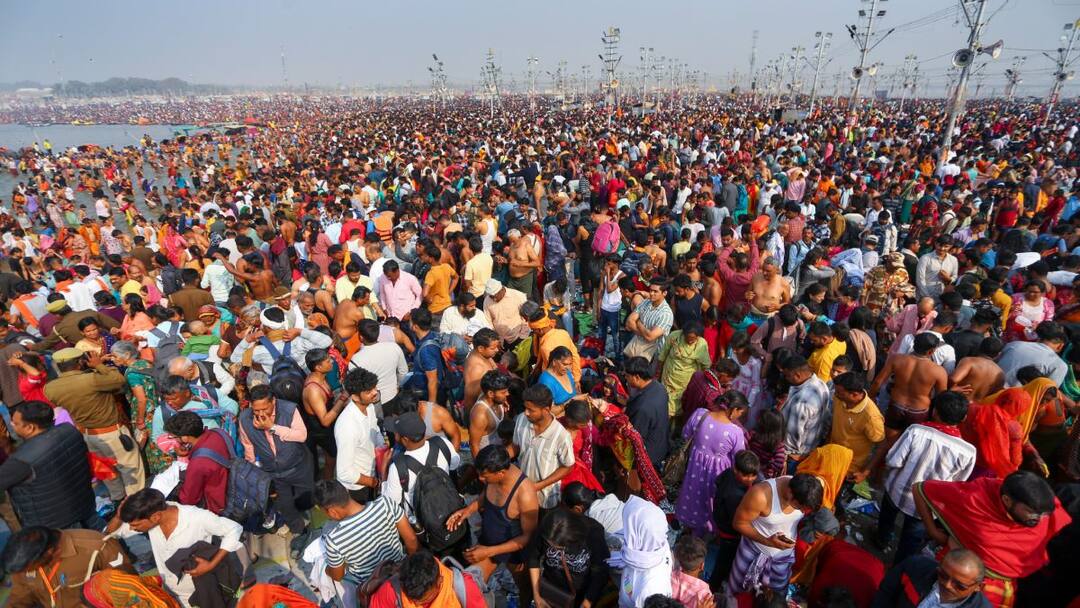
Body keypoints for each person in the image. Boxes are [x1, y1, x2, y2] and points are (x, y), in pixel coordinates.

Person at [913, 471, 1071, 608]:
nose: (1038, 520)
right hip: (955, 577)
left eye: (1042, 516)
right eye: (1030, 512)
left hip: (998, 589)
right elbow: (919, 489)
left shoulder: (1042, 510)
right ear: (1007, 501)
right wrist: (933, 531)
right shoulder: (975, 498)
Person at [878, 391, 976, 565]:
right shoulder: (968, 451)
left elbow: (893, 460)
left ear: (934, 411)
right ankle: (899, 568)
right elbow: (957, 485)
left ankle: (881, 541)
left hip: (897, 490)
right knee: (911, 541)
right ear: (964, 418)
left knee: (887, 519)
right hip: (927, 507)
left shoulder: (916, 431)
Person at [108, 488, 244, 608]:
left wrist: (211, 564)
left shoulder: (196, 517)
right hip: (170, 591)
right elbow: (110, 535)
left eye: (135, 525)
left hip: (200, 592)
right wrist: (118, 517)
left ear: (155, 517)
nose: (132, 529)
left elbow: (234, 529)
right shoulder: (150, 518)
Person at [43, 347, 145, 502]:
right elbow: (119, 380)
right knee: (131, 468)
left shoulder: (50, 388)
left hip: (86, 435)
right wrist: (98, 365)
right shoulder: (92, 379)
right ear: (80, 362)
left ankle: (118, 499)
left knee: (106, 471)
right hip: (112, 433)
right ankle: (138, 502)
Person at [447, 444, 539, 593]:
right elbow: (486, 496)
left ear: (501, 473)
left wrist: (489, 551)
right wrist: (468, 510)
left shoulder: (525, 493)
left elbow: (528, 537)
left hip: (513, 554)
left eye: (484, 476)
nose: (480, 479)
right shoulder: (492, 477)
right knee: (468, 588)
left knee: (524, 590)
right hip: (487, 544)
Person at [315, 479, 419, 608]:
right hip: (401, 573)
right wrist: (408, 565)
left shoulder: (334, 539)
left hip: (373, 591)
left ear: (331, 511)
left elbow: (338, 576)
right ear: (347, 491)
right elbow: (411, 540)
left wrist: (327, 570)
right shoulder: (386, 503)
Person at [0, 400, 101, 530]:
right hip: (86, 508)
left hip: (57, 527)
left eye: (15, 423)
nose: (12, 426)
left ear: (30, 427)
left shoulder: (21, 460)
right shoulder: (69, 430)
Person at [727, 473, 824, 596]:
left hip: (783, 559)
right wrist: (768, 541)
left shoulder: (806, 491)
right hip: (753, 553)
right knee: (739, 594)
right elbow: (739, 523)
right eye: (799, 507)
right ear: (790, 493)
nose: (802, 511)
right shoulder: (760, 495)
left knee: (774, 598)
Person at [238, 384, 312, 534]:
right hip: (273, 473)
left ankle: (306, 511)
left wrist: (272, 427)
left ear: (273, 402)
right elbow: (248, 445)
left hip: (298, 466)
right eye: (256, 410)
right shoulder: (245, 419)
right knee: (285, 505)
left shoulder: (289, 410)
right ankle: (299, 530)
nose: (260, 413)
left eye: (265, 409)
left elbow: (301, 435)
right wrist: (254, 470)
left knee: (306, 497)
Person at [2, 525, 134, 608]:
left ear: (49, 552)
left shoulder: (97, 546)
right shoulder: (24, 562)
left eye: (31, 569)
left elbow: (130, 589)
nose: (27, 573)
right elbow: (19, 596)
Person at [676, 391, 749, 536]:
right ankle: (703, 534)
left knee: (692, 495)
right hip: (716, 476)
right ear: (734, 410)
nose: (739, 416)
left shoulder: (700, 414)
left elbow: (685, 434)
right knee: (709, 503)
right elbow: (739, 459)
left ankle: (688, 528)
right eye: (740, 412)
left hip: (694, 468)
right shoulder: (735, 432)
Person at [381, 410, 460, 526]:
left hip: (425, 525)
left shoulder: (397, 466)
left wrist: (383, 471)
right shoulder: (442, 443)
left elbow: (391, 503)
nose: (394, 435)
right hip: (450, 508)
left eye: (396, 433)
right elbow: (454, 464)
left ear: (405, 439)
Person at [871, 333, 949, 438]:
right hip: (919, 411)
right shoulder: (938, 371)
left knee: (889, 441)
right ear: (931, 351)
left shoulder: (896, 359)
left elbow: (878, 382)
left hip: (896, 405)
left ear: (914, 345)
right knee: (910, 444)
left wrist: (871, 397)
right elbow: (941, 398)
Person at [527, 508, 610, 608]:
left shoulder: (593, 532)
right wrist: (537, 595)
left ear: (573, 537)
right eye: (550, 544)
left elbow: (600, 570)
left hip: (582, 595)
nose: (553, 548)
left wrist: (588, 601)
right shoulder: (548, 526)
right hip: (551, 590)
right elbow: (533, 558)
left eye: (559, 546)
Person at [366, 549, 488, 608]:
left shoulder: (464, 588)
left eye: (424, 600)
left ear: (440, 581)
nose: (417, 603)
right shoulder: (390, 590)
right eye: (413, 599)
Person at [162, 411, 230, 515]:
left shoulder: (198, 463)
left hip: (217, 505)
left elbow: (189, 498)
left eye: (174, 437)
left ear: (184, 437)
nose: (174, 440)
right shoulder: (218, 433)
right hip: (229, 486)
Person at [612, 495, 674, 607]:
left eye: (629, 526)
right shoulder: (656, 542)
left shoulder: (650, 590)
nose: (627, 529)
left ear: (637, 534)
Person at [873, 549, 991, 608]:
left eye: (959, 586)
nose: (947, 585)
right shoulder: (915, 566)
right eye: (943, 576)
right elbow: (886, 593)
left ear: (978, 587)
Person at [335, 367, 384, 503]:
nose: (375, 393)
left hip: (373, 472)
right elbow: (344, 472)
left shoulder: (369, 406)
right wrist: (372, 482)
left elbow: (375, 429)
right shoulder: (347, 426)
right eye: (369, 391)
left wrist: (382, 448)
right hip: (358, 486)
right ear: (355, 397)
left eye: (375, 388)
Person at [828, 372, 884, 481]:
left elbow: (881, 446)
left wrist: (865, 473)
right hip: (830, 455)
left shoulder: (871, 417)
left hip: (848, 469)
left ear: (854, 394)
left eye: (839, 392)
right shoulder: (839, 399)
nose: (835, 394)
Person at [779, 355, 831, 470]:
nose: (786, 379)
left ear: (797, 375)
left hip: (794, 456)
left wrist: (786, 456)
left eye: (787, 376)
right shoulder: (822, 385)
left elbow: (792, 435)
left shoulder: (801, 403)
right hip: (811, 448)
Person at [623, 356, 671, 469]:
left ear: (637, 377)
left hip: (650, 453)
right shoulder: (660, 388)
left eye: (627, 376)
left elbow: (636, 438)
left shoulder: (642, 407)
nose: (626, 379)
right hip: (662, 442)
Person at [659, 320, 712, 419]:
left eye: (694, 338)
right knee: (666, 405)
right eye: (688, 337)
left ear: (698, 337)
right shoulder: (674, 336)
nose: (690, 340)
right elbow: (662, 356)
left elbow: (706, 365)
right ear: (683, 333)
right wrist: (657, 374)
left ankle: (676, 427)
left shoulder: (702, 344)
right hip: (669, 377)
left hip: (686, 381)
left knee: (682, 405)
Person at [349, 319, 408, 406]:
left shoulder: (356, 359)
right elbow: (403, 372)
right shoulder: (394, 347)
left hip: (372, 403)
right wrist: (397, 386)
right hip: (393, 396)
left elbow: (354, 387)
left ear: (361, 337)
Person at [995, 321, 1069, 386]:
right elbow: (1046, 393)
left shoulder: (1014, 345)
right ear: (1060, 346)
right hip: (1014, 400)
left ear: (1038, 336)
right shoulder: (1059, 365)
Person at [624, 279, 674, 361]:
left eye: (655, 291)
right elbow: (629, 322)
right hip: (637, 346)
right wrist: (645, 334)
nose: (651, 294)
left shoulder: (666, 314)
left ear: (664, 293)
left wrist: (638, 322)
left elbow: (650, 337)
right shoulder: (646, 302)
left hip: (654, 354)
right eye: (650, 290)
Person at [469, 369, 511, 458]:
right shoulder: (480, 414)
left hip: (499, 454)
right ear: (490, 394)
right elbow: (474, 445)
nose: (507, 394)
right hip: (489, 461)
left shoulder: (498, 399)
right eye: (503, 392)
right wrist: (481, 470)